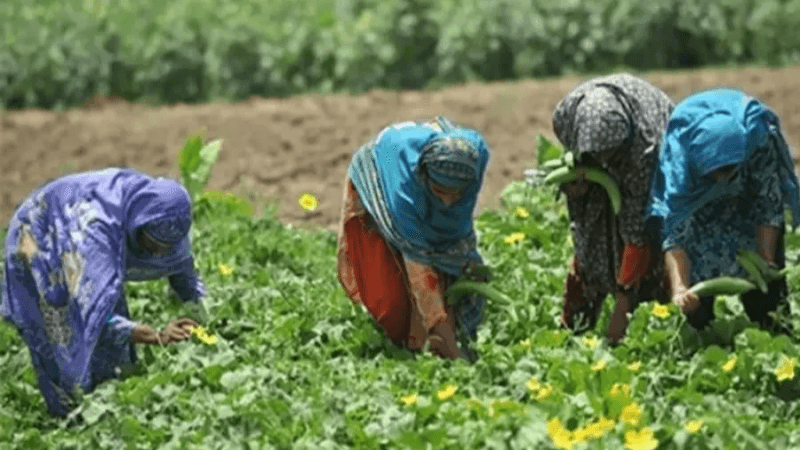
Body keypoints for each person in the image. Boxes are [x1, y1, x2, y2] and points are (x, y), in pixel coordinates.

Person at [1, 168, 207, 417]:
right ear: (137, 227)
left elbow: (183, 271)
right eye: (151, 245)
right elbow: (93, 314)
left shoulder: (165, 216)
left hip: (87, 228)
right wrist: (152, 335)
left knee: (109, 312)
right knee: (60, 333)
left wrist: (198, 315)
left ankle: (109, 400)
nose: (159, 254)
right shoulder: (97, 238)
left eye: (166, 248)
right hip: (40, 235)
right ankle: (69, 418)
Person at [337, 116, 491, 360]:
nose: (447, 202)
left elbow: (457, 225)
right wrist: (454, 354)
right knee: (392, 295)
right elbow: (420, 272)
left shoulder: (474, 157)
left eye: (456, 194)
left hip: (422, 164)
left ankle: (439, 338)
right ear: (425, 178)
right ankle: (419, 344)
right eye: (440, 192)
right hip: (384, 170)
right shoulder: (403, 198)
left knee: (452, 270)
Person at [647, 88, 800, 333]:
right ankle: (700, 333)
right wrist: (681, 288)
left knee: (767, 297)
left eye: (729, 171)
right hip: (699, 212)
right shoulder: (680, 168)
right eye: (717, 173)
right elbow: (674, 231)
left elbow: (767, 205)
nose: (722, 181)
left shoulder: (757, 142)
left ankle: (773, 330)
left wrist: (766, 260)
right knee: (694, 307)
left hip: (745, 203)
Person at [551, 73, 674, 343]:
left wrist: (623, 301)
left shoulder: (646, 148)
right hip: (599, 140)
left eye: (610, 154)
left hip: (644, 156)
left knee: (644, 240)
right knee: (590, 237)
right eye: (599, 155)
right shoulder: (568, 116)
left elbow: (636, 233)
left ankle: (647, 323)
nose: (605, 162)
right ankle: (575, 324)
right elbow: (580, 160)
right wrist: (579, 181)